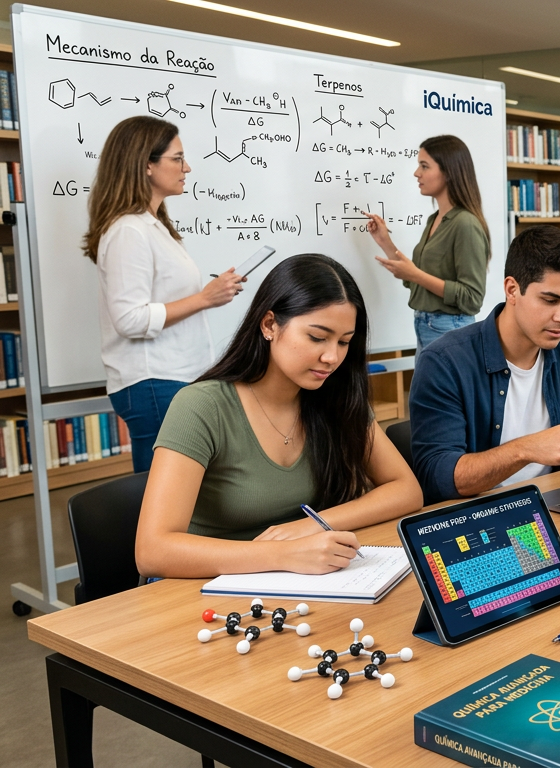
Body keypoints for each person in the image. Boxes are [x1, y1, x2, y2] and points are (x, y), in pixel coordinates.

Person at [133, 255, 423, 578]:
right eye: (317, 337)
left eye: (344, 342)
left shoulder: (335, 397)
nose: (332, 357)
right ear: (270, 324)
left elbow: (406, 490)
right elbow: (152, 552)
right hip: (198, 590)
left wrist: (311, 526)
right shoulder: (201, 406)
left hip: (290, 582)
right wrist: (284, 554)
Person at [408, 226, 560, 502]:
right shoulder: (444, 363)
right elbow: (438, 475)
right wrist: (526, 449)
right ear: (512, 290)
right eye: (551, 300)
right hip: (482, 516)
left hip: (556, 501)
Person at [83, 116, 245, 474]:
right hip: (154, 383)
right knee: (163, 501)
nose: (186, 168)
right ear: (146, 165)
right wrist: (204, 298)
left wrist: (211, 295)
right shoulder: (129, 231)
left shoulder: (152, 227)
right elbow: (130, 319)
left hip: (171, 380)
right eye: (177, 158)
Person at [365, 135, 491, 353]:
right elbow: (416, 279)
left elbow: (472, 298)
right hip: (426, 325)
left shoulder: (465, 224)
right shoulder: (435, 220)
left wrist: (415, 275)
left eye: (424, 166)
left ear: (449, 172)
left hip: (449, 329)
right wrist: (385, 242)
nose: (417, 173)